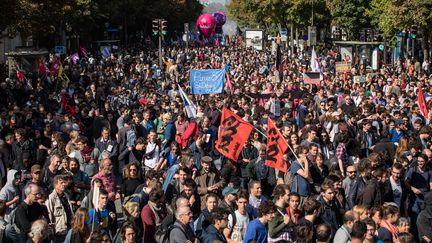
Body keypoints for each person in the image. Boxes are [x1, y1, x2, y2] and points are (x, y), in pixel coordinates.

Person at [45, 175, 73, 242]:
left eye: (64, 182)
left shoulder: (66, 195)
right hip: (59, 231)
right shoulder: (51, 198)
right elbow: (49, 214)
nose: (64, 184)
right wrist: (52, 231)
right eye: (61, 183)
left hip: (69, 227)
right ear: (55, 185)